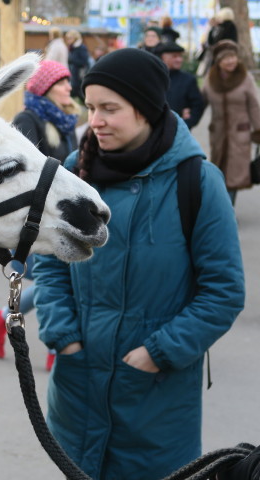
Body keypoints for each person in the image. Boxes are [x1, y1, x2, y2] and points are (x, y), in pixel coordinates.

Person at [33, 48, 245, 480]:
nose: (95, 120)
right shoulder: (77, 170)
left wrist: (159, 352)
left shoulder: (198, 181)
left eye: (110, 109)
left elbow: (223, 291)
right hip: (79, 387)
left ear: (147, 110)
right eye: (90, 107)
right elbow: (51, 263)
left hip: (157, 398)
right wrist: (63, 334)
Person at [0, 59, 80, 369]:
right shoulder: (27, 119)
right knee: (54, 280)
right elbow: (25, 178)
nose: (69, 87)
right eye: (62, 82)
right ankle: (56, 345)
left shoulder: (66, 120)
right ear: (46, 88)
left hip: (64, 216)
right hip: (38, 219)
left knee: (56, 280)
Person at [202, 40, 260, 206]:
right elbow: (201, 101)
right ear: (218, 61)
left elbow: (254, 105)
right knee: (219, 171)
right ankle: (221, 206)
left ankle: (227, 209)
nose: (231, 61)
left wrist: (258, 129)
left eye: (233, 57)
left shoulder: (245, 77)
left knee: (234, 174)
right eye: (226, 58)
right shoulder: (211, 79)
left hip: (239, 133)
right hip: (218, 134)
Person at [155, 41, 204, 130]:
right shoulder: (153, 78)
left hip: (179, 132)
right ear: (163, 57)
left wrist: (187, 123)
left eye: (180, 56)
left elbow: (198, 105)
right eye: (174, 56)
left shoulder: (188, 80)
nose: (179, 59)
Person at [64, 30, 89, 100]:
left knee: (79, 93)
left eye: (70, 38)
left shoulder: (81, 47)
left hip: (79, 75)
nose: (68, 40)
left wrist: (71, 60)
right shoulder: (72, 48)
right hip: (74, 75)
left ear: (75, 38)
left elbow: (84, 62)